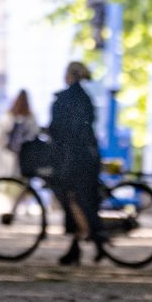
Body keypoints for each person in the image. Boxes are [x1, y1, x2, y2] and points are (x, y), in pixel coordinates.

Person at [47, 61, 106, 267]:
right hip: (88, 157)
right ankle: (86, 246)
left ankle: (90, 242)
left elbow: (57, 129)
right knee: (84, 202)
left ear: (69, 75)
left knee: (71, 201)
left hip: (70, 160)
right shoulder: (86, 98)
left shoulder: (63, 99)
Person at [0, 90, 42, 184]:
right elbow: (35, 133)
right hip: (19, 157)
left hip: (14, 157)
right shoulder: (29, 118)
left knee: (10, 184)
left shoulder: (8, 117)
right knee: (17, 184)